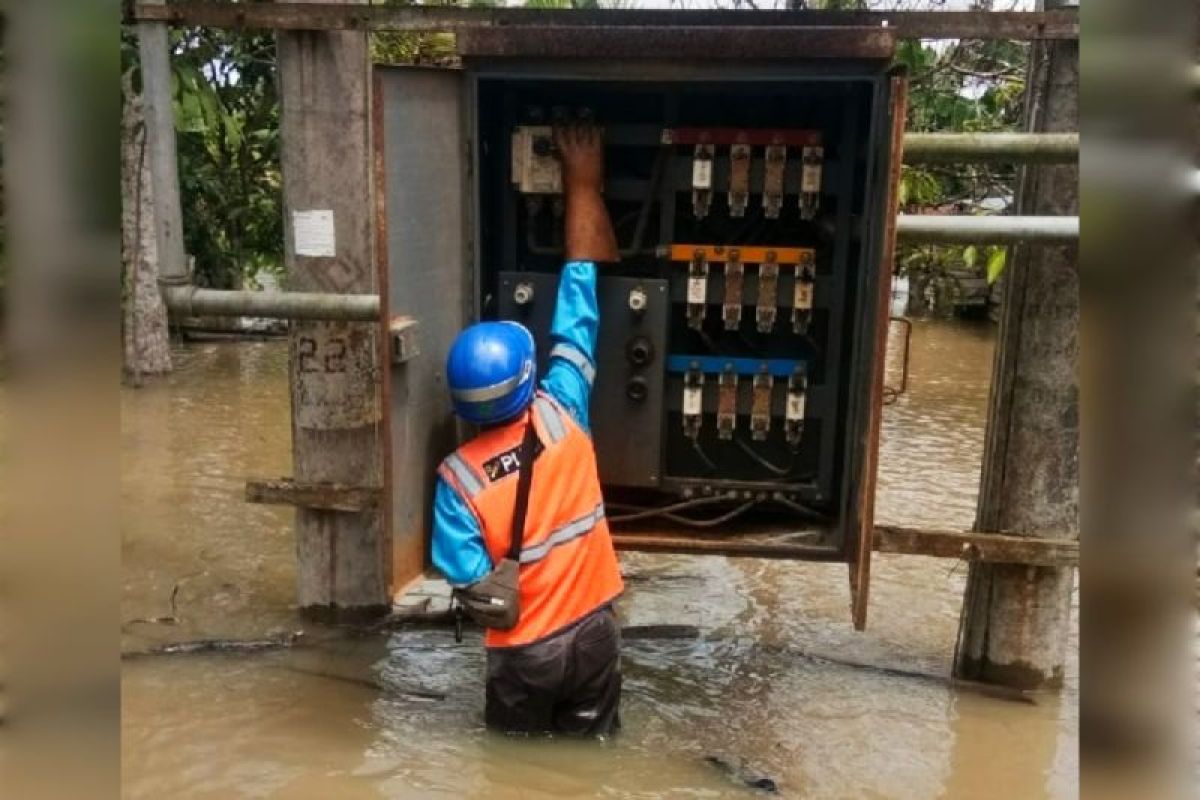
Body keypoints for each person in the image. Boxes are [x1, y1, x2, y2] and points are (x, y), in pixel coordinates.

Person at [431, 122, 625, 736]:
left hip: (524, 651)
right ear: (525, 378)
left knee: (514, 762)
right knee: (588, 758)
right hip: (595, 631)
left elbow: (464, 576)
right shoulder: (563, 411)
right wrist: (584, 184)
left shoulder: (457, 481)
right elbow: (579, 313)